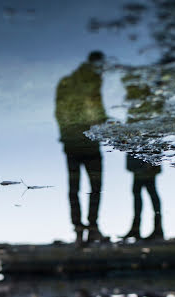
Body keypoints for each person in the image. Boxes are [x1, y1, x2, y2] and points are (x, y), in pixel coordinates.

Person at [55, 51, 108, 246]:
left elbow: (59, 113)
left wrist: (67, 133)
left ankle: (80, 229)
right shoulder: (91, 83)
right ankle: (90, 228)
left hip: (72, 143)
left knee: (75, 188)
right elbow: (97, 112)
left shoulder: (67, 82)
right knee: (94, 187)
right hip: (87, 144)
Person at [124, 154, 164, 240]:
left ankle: (158, 229)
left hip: (147, 170)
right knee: (139, 197)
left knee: (151, 196)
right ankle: (136, 229)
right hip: (139, 170)